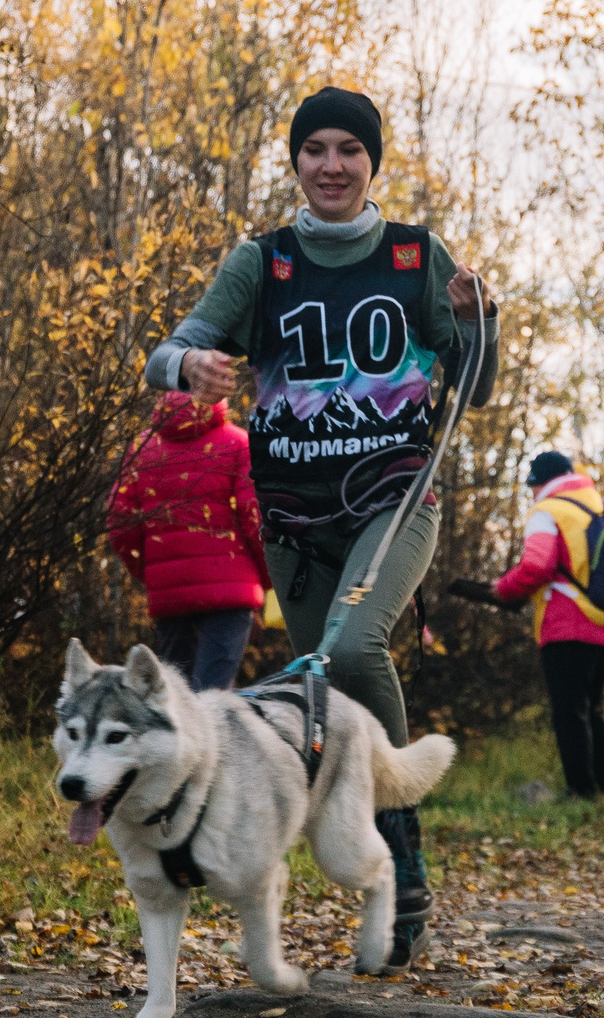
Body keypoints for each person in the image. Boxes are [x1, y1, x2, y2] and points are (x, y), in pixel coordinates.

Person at [143, 85, 501, 969]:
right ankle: (379, 866)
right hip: (296, 517)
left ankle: (403, 853)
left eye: (350, 149)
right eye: (316, 150)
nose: (332, 165)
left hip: (395, 494)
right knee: (323, 698)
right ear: (297, 161)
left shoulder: (418, 254)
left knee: (347, 655)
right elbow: (165, 353)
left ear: (372, 160)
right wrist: (191, 360)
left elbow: (477, 385)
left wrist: (471, 319)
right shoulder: (261, 262)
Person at [488, 452, 604, 801]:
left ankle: (582, 791)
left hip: (570, 624)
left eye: (532, 487)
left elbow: (536, 567)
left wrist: (502, 589)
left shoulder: (548, 511)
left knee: (569, 710)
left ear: (539, 483)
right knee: (591, 707)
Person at [106, 392, 269, 691]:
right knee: (213, 696)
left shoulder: (142, 449)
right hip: (231, 592)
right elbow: (254, 517)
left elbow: (119, 522)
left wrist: (153, 572)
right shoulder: (237, 442)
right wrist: (266, 580)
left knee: (176, 697)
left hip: (170, 594)